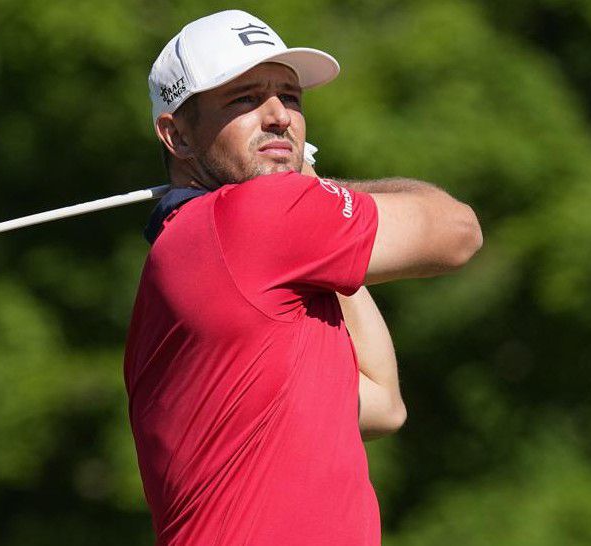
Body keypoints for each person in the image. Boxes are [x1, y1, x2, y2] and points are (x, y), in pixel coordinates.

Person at [123, 10, 482, 545]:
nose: (278, 117)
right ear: (177, 136)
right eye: (243, 99)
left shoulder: (194, 250)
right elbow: (458, 230)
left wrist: (321, 223)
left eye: (290, 98)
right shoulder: (246, 220)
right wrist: (317, 189)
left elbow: (382, 403)